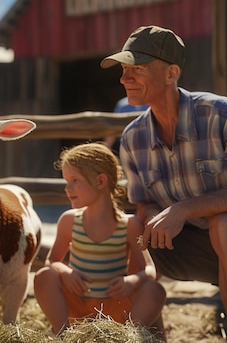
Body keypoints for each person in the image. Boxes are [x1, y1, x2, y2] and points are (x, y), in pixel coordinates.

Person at [100, 25, 227, 342]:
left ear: (171, 73)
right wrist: (152, 218)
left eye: (136, 69)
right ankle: (150, 336)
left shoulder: (226, 115)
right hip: (188, 250)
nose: (124, 79)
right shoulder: (132, 138)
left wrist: (184, 209)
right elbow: (143, 203)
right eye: (123, 71)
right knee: (128, 227)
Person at [34, 142, 166, 338]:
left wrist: (131, 281)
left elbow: (149, 270)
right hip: (78, 307)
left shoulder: (129, 225)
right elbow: (52, 261)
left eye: (74, 180)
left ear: (100, 181)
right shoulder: (69, 220)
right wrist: (67, 272)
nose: (67, 188)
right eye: (66, 182)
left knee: (155, 291)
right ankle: (64, 336)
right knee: (44, 276)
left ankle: (126, 338)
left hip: (116, 308)